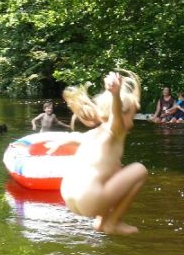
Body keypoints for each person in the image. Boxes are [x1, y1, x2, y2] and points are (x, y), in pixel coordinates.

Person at [59, 70, 148, 235]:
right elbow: (116, 118)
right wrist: (115, 94)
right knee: (139, 170)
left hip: (69, 195)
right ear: (122, 113)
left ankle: (101, 220)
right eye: (133, 113)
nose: (134, 118)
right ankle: (112, 223)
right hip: (90, 199)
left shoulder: (93, 134)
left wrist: (59, 141)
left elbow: (75, 137)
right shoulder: (115, 131)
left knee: (116, 168)